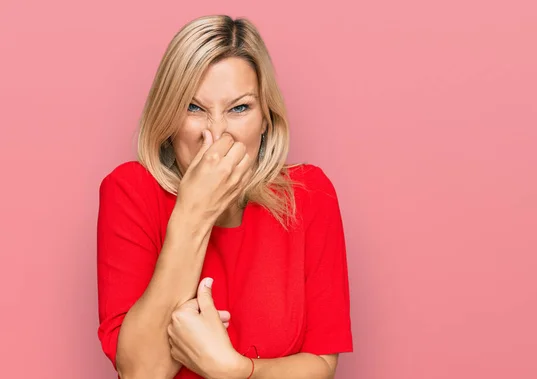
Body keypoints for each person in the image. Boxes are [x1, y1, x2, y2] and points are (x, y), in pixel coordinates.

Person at [96, 14, 353, 379]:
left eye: (239, 108)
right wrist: (193, 213)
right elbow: (141, 373)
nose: (215, 134)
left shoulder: (310, 196)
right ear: (168, 119)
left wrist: (235, 370)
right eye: (194, 107)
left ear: (266, 118)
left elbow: (321, 364)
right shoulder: (130, 191)